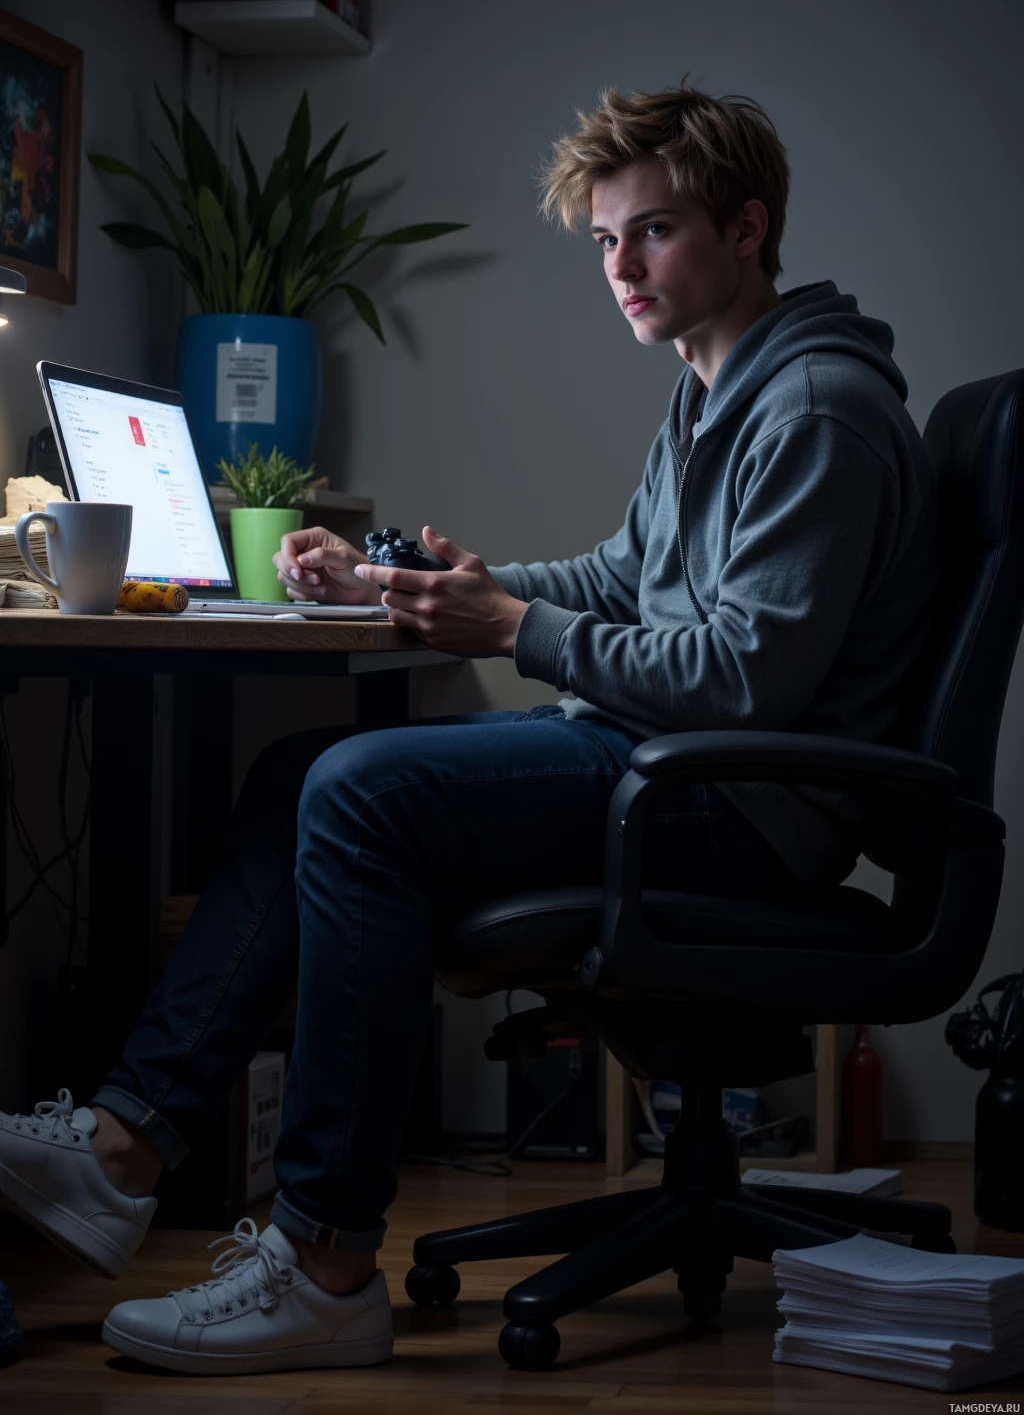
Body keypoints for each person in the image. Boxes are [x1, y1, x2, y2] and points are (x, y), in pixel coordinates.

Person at [0, 73, 940, 1375]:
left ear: (748, 226)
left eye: (653, 230)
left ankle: (327, 1261)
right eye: (606, 239)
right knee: (298, 772)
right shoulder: (716, 384)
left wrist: (507, 630)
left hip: (737, 806)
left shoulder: (814, 408)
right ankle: (125, 1148)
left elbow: (744, 681)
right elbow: (627, 580)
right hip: (672, 768)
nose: (620, 264)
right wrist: (439, 585)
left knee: (364, 793)